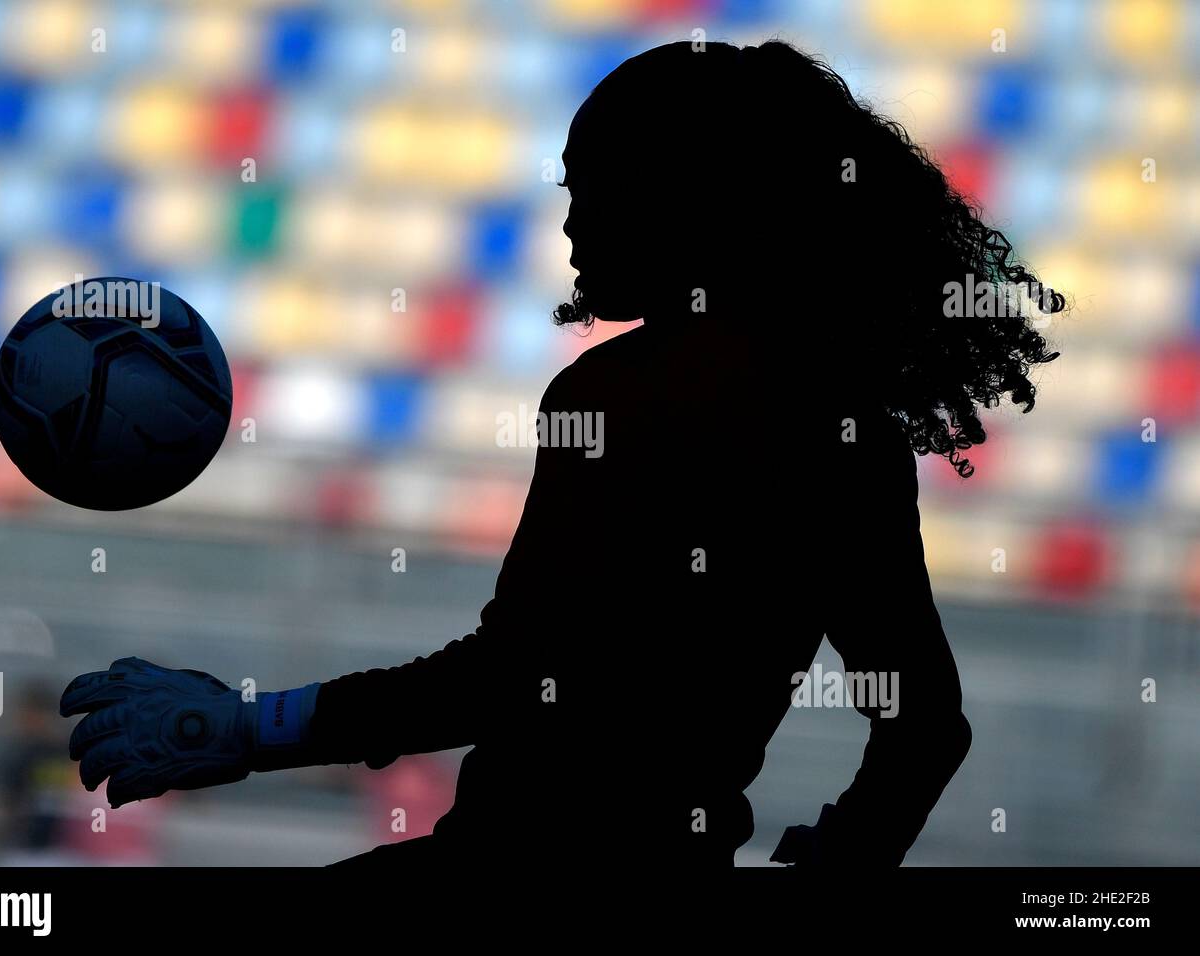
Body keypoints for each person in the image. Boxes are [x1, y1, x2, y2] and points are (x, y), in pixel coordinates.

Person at [60, 39, 1064, 868]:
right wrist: (852, 848)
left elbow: (521, 671)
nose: (573, 220)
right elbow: (925, 723)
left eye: (597, 189)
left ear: (691, 204)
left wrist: (244, 727)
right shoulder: (853, 433)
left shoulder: (626, 390)